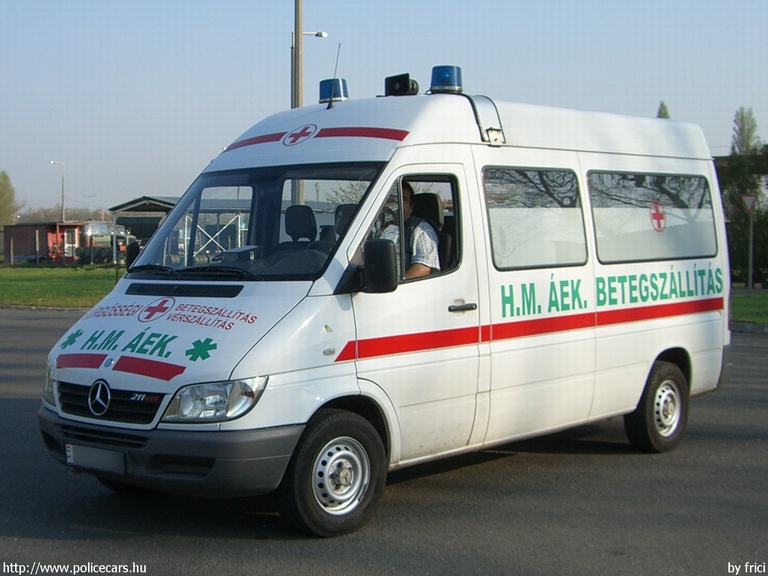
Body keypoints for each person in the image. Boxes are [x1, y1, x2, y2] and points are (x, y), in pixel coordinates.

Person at [380, 181, 440, 279]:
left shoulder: (421, 229)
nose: (396, 204)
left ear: (411, 207)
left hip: (405, 291)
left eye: (403, 199)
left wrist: (396, 287)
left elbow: (423, 268)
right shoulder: (376, 227)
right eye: (391, 199)